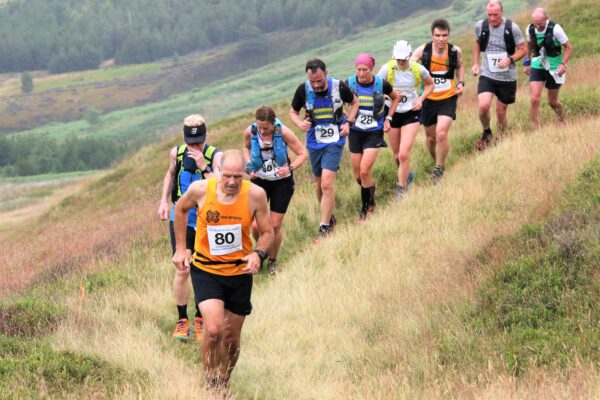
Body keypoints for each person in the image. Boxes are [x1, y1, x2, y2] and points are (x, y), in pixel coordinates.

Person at [172, 150, 273, 394]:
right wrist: (181, 249)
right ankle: (209, 379)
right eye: (227, 176)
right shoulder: (201, 190)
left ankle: (223, 380)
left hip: (239, 273)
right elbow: (181, 209)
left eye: (237, 177)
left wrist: (258, 254)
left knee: (231, 339)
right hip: (206, 269)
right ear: (218, 173)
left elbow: (268, 233)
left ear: (245, 174)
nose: (231, 182)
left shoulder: (256, 195)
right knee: (215, 329)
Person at [157, 114, 222, 341]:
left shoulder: (216, 156)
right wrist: (164, 201)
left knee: (204, 268)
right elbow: (170, 174)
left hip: (208, 219)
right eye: (191, 142)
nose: (195, 146)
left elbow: (222, 188)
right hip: (182, 217)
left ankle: (200, 317)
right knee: (183, 267)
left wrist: (204, 166)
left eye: (199, 141)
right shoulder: (177, 153)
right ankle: (182, 320)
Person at [289, 58, 359, 237]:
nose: (316, 85)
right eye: (312, 81)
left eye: (319, 81)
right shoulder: (303, 89)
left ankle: (324, 227)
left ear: (326, 74)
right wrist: (300, 124)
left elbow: (355, 103)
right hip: (314, 142)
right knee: (319, 186)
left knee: (327, 184)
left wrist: (348, 124)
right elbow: (293, 112)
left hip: (335, 139)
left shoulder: (338, 86)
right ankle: (329, 218)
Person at [243, 106, 307, 273]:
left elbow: (302, 154)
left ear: (273, 124)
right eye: (260, 128)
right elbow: (246, 148)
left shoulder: (284, 132)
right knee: (256, 227)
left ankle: (273, 261)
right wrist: (248, 165)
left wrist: (290, 168)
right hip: (259, 182)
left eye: (266, 128)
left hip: (282, 183)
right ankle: (261, 252)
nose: (262, 132)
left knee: (274, 225)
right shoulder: (250, 131)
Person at [378, 41, 434, 199]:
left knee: (403, 154)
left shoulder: (417, 68)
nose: (401, 62)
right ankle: (406, 176)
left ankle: (401, 190)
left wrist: (421, 99)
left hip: (411, 112)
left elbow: (430, 85)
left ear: (409, 56)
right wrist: (389, 95)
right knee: (396, 156)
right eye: (398, 59)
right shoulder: (387, 68)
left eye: (403, 59)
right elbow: (376, 89)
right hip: (392, 112)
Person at [346, 53, 399, 219]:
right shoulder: (349, 83)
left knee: (364, 171)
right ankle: (371, 191)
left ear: (372, 69)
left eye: (365, 70)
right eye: (359, 69)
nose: (361, 73)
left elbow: (395, 98)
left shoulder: (381, 83)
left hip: (374, 132)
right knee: (358, 176)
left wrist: (388, 118)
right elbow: (338, 100)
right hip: (355, 132)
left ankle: (365, 209)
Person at [412, 19, 465, 183]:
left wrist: (461, 82)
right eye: (437, 35)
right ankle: (438, 162)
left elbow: (459, 67)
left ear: (448, 35)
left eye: (444, 35)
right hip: (428, 99)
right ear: (432, 35)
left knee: (441, 133)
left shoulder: (455, 51)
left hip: (448, 98)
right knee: (430, 139)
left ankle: (439, 169)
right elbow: (412, 63)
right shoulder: (423, 51)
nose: (441, 39)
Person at [471, 0, 527, 150]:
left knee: (500, 113)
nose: (492, 18)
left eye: (495, 15)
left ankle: (501, 139)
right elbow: (476, 42)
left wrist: (510, 59)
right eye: (490, 15)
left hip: (507, 77)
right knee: (483, 106)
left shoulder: (511, 27)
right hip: (487, 74)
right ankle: (487, 132)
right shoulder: (480, 26)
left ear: (502, 12)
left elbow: (523, 49)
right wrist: (476, 63)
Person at [524, 7, 572, 128]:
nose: (538, 26)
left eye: (540, 24)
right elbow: (529, 46)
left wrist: (563, 64)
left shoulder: (555, 29)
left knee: (552, 102)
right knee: (534, 99)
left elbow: (569, 47)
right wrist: (527, 62)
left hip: (555, 67)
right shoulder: (530, 29)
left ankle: (562, 119)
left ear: (546, 19)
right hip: (538, 65)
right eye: (535, 23)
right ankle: (534, 129)